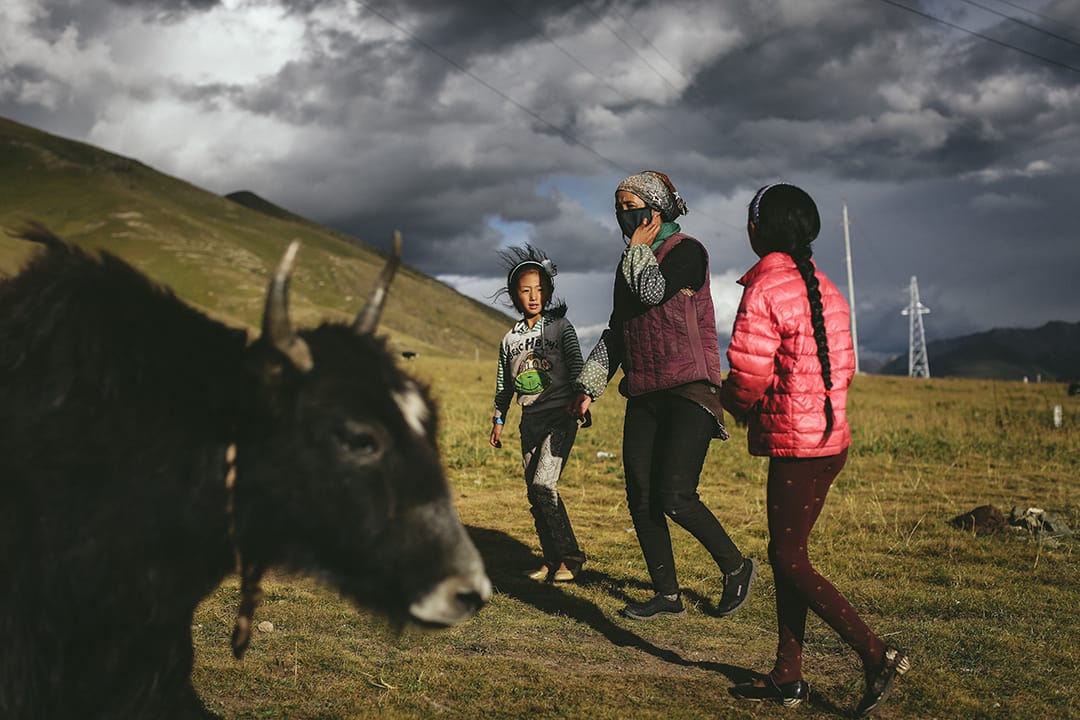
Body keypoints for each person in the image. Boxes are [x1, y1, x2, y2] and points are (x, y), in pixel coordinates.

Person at [721, 183, 909, 715]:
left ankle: (875, 653)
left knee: (788, 558)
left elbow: (748, 378)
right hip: (832, 443)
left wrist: (726, 403)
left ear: (760, 230)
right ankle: (787, 675)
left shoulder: (764, 291)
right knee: (791, 557)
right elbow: (843, 369)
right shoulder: (828, 288)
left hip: (797, 448)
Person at [569, 170, 755, 621]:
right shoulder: (630, 261)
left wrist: (637, 249)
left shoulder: (687, 252)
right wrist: (588, 387)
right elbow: (618, 330)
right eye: (619, 209)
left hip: (689, 387)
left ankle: (735, 567)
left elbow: (651, 292)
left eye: (631, 208)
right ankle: (667, 595)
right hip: (645, 390)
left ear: (656, 210)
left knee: (675, 494)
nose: (623, 217)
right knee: (641, 496)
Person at [491, 245, 587, 583]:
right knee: (535, 493)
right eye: (526, 290)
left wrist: (581, 396)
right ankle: (551, 558)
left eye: (540, 289)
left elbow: (576, 365)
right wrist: (499, 418)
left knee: (544, 484)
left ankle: (571, 558)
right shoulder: (508, 339)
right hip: (528, 421)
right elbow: (504, 383)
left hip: (560, 416)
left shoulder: (561, 328)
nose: (534, 296)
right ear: (516, 295)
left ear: (549, 291)